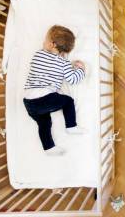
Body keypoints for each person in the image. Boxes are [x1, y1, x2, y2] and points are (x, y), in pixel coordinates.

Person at [23, 25, 86, 156]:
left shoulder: (38, 54)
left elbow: (49, 64)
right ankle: (71, 126)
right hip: (43, 99)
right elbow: (73, 80)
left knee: (44, 123)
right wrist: (80, 68)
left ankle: (49, 147)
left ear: (52, 44)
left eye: (45, 39)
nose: (43, 42)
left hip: (29, 102)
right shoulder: (64, 63)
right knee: (68, 101)